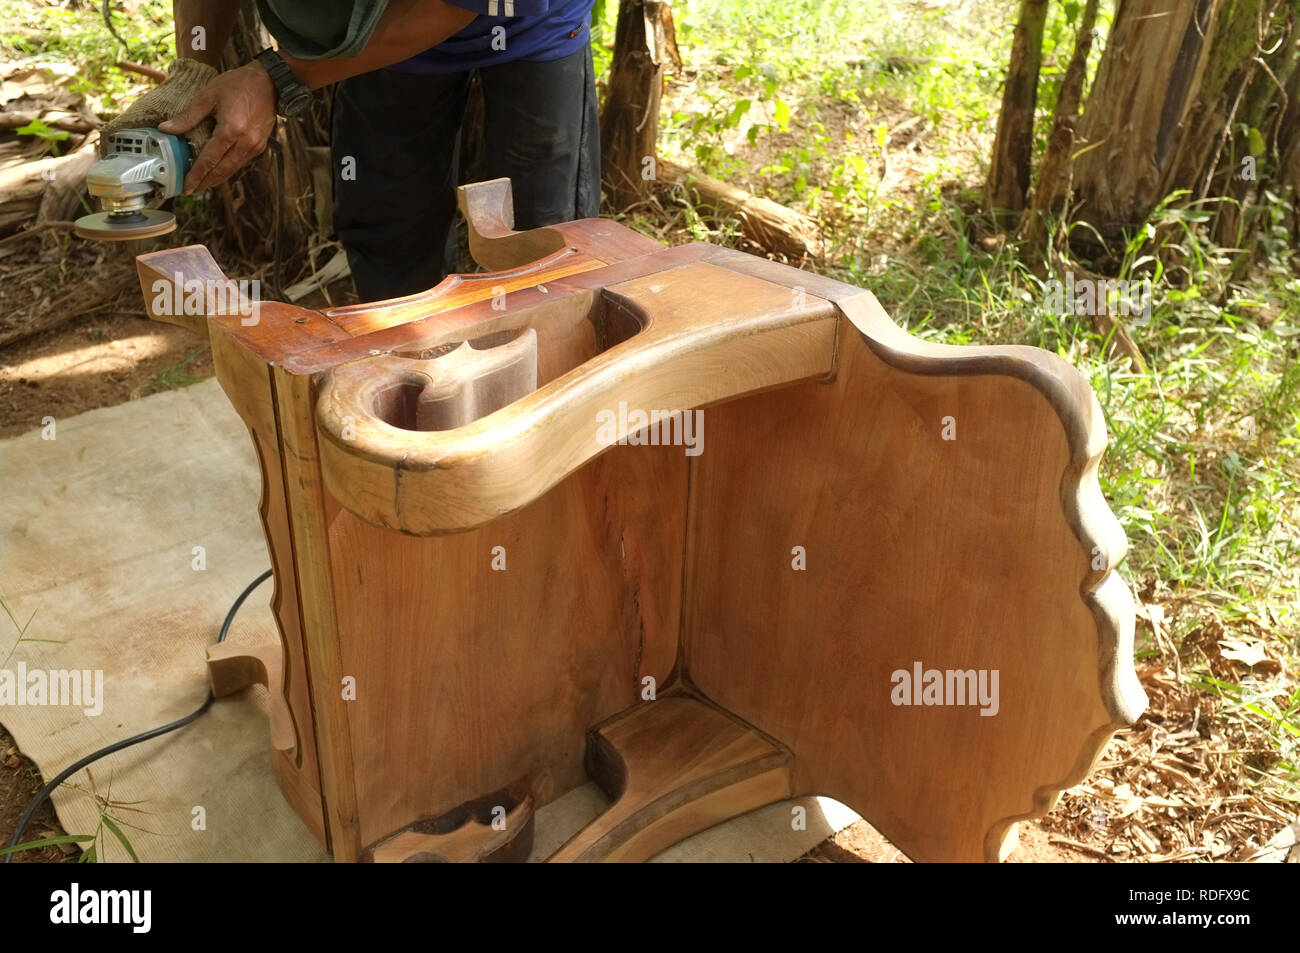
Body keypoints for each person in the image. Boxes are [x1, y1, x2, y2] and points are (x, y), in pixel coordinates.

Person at [108, 1, 600, 300]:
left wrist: (277, 76)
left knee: (546, 236)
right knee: (390, 226)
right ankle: (411, 384)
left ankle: (547, 412)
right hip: (371, 30)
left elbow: (455, 3)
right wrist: (192, 68)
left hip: (531, 22)